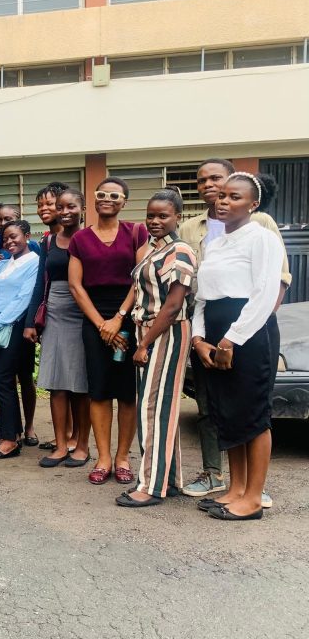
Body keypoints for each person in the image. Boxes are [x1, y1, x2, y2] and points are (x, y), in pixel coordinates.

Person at [178, 158, 290, 503]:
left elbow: (265, 293)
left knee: (253, 416)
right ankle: (236, 489)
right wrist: (199, 339)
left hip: (249, 334)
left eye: (234, 197)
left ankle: (253, 497)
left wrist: (230, 340)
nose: (224, 200)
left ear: (253, 205)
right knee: (227, 414)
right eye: (222, 196)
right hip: (214, 335)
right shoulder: (214, 244)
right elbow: (203, 298)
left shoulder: (262, 238)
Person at [117, 189, 197, 507]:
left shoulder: (180, 251)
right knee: (158, 407)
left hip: (166, 332)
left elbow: (174, 305)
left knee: (153, 409)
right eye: (151, 215)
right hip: (149, 331)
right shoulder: (153, 249)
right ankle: (168, 480)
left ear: (178, 216)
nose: (155, 221)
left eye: (163, 215)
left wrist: (145, 344)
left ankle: (151, 486)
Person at [68, 177, 148, 485]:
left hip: (128, 316)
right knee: (99, 390)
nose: (107, 199)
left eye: (115, 196)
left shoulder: (136, 232)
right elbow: (76, 286)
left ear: (124, 201)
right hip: (93, 319)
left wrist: (118, 318)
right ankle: (103, 457)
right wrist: (102, 324)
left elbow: (139, 279)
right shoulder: (80, 238)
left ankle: (123, 457)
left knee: (127, 392)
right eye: (102, 194)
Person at [26, 189, 90, 468]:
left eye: (71, 206)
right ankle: (61, 445)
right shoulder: (49, 241)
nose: (65, 212)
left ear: (82, 208)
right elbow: (41, 283)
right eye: (60, 207)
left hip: (84, 314)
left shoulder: (90, 238)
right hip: (54, 313)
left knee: (80, 384)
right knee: (55, 383)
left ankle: (82, 445)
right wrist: (31, 322)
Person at [0, 220, 40, 459]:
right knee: (3, 380)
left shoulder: (34, 263)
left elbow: (23, 300)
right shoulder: (2, 264)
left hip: (14, 326)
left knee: (2, 379)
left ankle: (10, 440)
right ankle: (10, 434)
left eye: (14, 236)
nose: (9, 241)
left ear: (27, 236)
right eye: (5, 238)